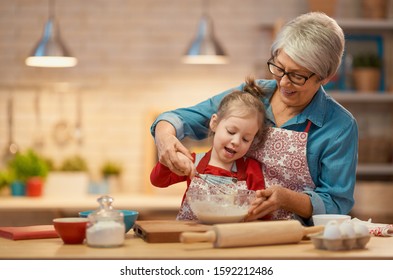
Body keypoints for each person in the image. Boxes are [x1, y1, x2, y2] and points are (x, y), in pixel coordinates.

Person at [150, 12, 358, 225]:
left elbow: (336, 203)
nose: (284, 83)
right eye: (279, 68)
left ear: (325, 77)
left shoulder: (340, 126)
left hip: (294, 240)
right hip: (237, 232)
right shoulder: (251, 95)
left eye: (297, 76)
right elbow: (179, 118)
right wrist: (164, 137)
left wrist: (288, 199)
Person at [150, 77, 267, 220]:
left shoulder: (251, 169)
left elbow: (261, 211)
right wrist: (171, 160)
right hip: (191, 236)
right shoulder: (193, 162)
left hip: (230, 237)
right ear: (214, 123)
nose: (236, 141)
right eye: (231, 131)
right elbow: (158, 181)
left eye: (246, 139)